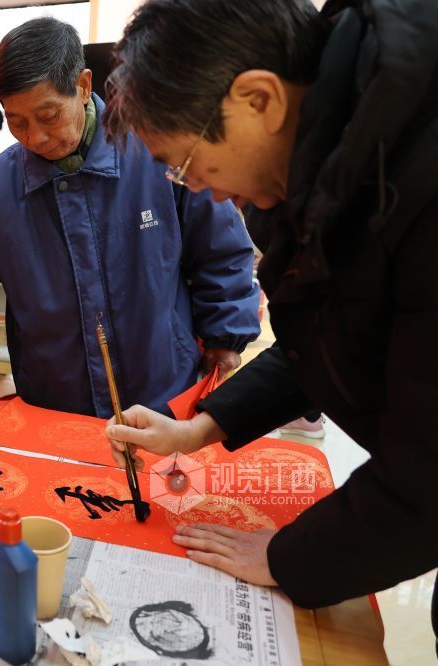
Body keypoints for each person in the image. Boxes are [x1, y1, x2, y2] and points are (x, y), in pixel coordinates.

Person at [101, 0, 438, 635]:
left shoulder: (420, 176)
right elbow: (336, 334)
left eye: (185, 161)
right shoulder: (338, 166)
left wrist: (289, 557)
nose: (199, 187)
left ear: (259, 100)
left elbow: (430, 475)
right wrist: (198, 428)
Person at [0, 17, 259, 418]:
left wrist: (225, 335)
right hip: (54, 407)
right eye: (17, 122)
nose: (34, 137)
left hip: (162, 397)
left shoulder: (156, 154)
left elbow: (220, 249)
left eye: (48, 115)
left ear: (83, 86)